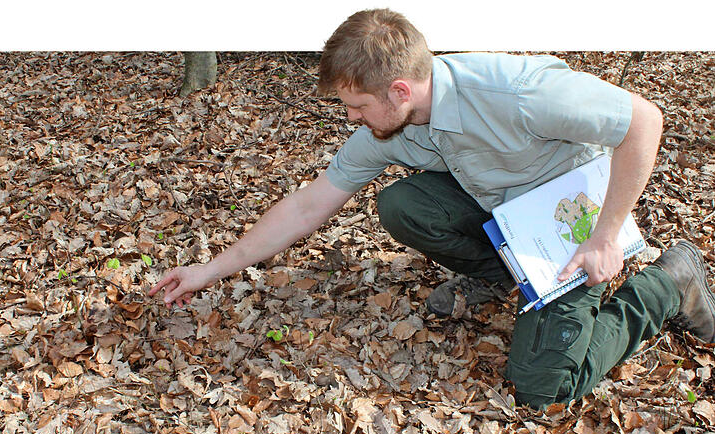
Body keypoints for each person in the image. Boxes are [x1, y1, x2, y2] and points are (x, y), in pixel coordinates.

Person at [150, 9, 715, 409]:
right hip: (505, 218)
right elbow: (309, 205)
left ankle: (669, 283)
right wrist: (207, 271)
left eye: (357, 106)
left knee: (543, 388)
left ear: (399, 90)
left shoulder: (513, 91)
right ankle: (509, 279)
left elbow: (643, 121)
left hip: (571, 221)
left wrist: (606, 234)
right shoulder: (388, 128)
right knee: (403, 203)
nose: (352, 119)